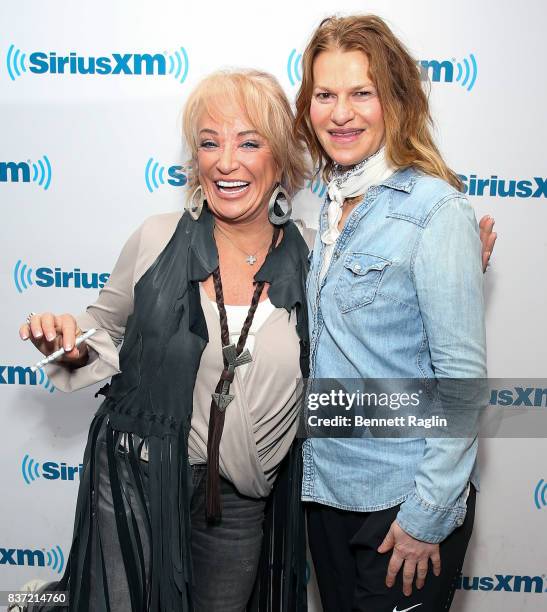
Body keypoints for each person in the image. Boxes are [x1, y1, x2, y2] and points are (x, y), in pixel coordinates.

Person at [17, 69, 311, 612]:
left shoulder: (319, 260)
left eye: (249, 141)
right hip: (134, 478)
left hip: (238, 499)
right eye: (209, 142)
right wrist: (70, 343)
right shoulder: (155, 237)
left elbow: (375, 333)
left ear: (283, 160)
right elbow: (101, 328)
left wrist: (447, 263)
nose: (226, 162)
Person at [294, 15, 491, 612]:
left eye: (362, 93)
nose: (341, 113)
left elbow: (462, 385)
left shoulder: (435, 210)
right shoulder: (328, 210)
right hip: (326, 491)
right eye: (325, 95)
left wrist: (428, 514)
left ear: (395, 101)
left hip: (401, 501)